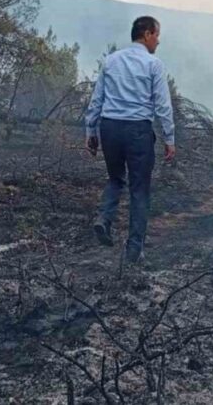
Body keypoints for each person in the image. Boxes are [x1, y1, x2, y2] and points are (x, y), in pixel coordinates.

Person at [86, 16, 176, 264]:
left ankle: (104, 218)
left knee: (115, 179)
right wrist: (169, 138)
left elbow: (97, 100)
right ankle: (134, 250)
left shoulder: (111, 60)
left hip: (110, 127)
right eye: (157, 35)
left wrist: (91, 131)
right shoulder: (153, 64)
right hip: (138, 131)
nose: (158, 41)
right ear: (147, 34)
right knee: (139, 190)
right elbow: (163, 106)